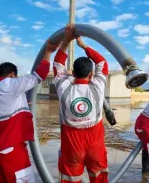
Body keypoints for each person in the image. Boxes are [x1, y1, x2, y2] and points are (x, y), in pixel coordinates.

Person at [0, 40, 59, 182]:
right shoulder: (10, 84)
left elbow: (3, 111)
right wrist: (47, 52)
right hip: (10, 149)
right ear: (11, 75)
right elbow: (40, 74)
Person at [54, 24, 109, 183]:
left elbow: (58, 64)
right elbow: (102, 63)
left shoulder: (63, 87)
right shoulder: (98, 87)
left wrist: (66, 41)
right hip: (95, 142)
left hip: (72, 144)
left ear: (72, 72)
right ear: (91, 74)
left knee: (71, 178)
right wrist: (83, 45)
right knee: (99, 177)